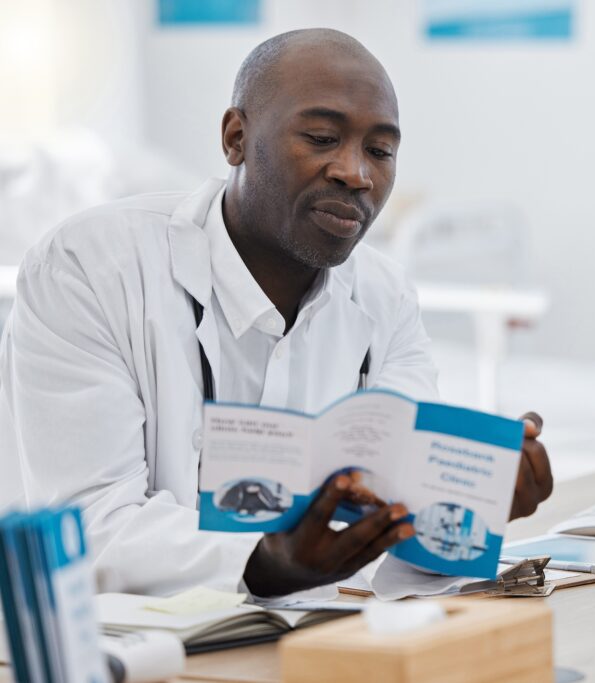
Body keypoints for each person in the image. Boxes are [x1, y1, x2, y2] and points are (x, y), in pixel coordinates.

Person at [0, 29, 553, 599]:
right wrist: (261, 560)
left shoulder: (384, 297)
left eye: (380, 151)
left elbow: (396, 532)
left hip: (306, 647)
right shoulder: (90, 267)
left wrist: (470, 513)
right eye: (321, 137)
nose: (355, 173)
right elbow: (86, 524)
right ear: (236, 138)